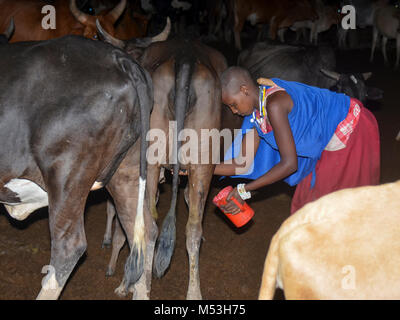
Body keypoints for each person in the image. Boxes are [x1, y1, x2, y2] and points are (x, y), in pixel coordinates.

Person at [214, 66, 380, 215]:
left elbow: (289, 164)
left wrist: (244, 190)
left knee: (328, 205)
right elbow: (242, 163)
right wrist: (197, 167)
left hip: (349, 130)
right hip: (324, 139)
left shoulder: (275, 105)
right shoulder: (256, 116)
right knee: (306, 203)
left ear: (244, 90)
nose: (234, 111)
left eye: (233, 104)